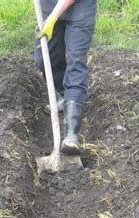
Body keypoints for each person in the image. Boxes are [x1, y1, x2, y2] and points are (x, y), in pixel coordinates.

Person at [35, 0, 96, 155]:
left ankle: (71, 135)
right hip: (49, 5)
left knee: (76, 61)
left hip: (80, 8)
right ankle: (66, 97)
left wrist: (54, 17)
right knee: (44, 58)